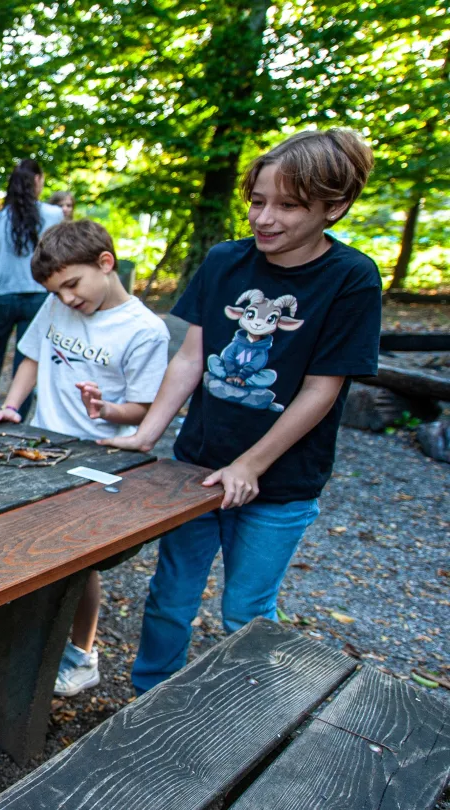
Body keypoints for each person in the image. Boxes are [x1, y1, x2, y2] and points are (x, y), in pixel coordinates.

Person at [100, 128, 380, 694]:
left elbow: (320, 391)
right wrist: (146, 434)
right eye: (257, 201)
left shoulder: (351, 278)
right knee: (170, 598)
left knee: (247, 615)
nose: (264, 218)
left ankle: (248, 721)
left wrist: (250, 466)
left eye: (288, 205)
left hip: (281, 483)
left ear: (335, 207)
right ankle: (149, 698)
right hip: (195, 468)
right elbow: (190, 357)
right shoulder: (226, 260)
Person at [0, 219, 169, 696]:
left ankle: (81, 654)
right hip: (42, 444)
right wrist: (11, 405)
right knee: (20, 534)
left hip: (100, 456)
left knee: (77, 560)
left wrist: (106, 409)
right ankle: (21, 631)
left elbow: (144, 408)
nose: (66, 299)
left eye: (72, 285)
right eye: (56, 290)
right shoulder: (54, 305)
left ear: (105, 264)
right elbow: (32, 357)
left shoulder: (146, 330)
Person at [0, 158, 65, 412]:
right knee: (27, 358)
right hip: (38, 297)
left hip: (3, 296)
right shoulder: (54, 215)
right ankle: (15, 416)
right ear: (37, 180)